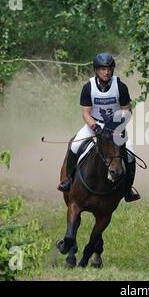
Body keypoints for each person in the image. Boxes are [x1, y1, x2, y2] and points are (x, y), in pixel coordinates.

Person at [57, 52, 140, 202]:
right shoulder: (88, 87)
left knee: (130, 153)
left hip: (115, 125)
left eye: (109, 69)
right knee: (74, 145)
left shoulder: (120, 87)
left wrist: (117, 125)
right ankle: (69, 180)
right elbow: (86, 113)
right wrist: (95, 127)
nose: (106, 72)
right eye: (102, 69)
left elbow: (127, 110)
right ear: (96, 70)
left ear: (113, 70)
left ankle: (128, 189)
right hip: (94, 124)